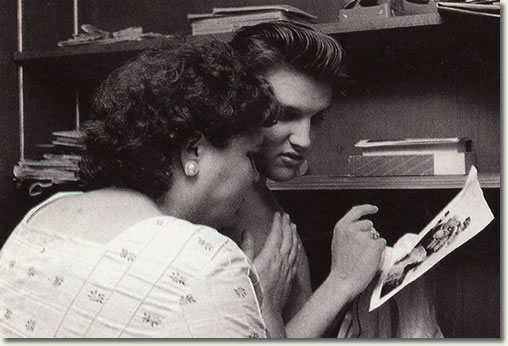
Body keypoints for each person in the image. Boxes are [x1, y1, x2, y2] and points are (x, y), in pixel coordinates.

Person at [0, 40, 285, 338]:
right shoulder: (209, 262)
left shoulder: (43, 214)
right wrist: (263, 308)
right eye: (250, 155)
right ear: (193, 152)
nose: (254, 176)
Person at [229, 21, 443, 338]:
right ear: (238, 104)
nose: (304, 140)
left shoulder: (255, 190)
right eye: (285, 114)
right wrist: (342, 280)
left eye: (316, 119)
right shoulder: (221, 207)